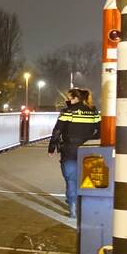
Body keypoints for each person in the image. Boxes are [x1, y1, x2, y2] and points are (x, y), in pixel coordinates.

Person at [48, 88, 101, 218]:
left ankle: (73, 208)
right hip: (89, 150)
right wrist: (88, 140)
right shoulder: (93, 111)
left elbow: (57, 130)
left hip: (69, 149)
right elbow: (100, 131)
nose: (67, 100)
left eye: (69, 97)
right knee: (88, 180)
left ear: (76, 99)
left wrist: (52, 147)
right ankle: (87, 207)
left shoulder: (67, 112)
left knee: (71, 180)